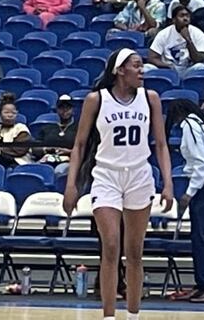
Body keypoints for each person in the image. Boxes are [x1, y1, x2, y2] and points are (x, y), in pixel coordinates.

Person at [62, 48, 173, 320]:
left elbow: (160, 144)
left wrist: (168, 183)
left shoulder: (151, 98)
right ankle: (109, 317)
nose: (142, 71)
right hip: (106, 176)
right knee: (111, 246)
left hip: (139, 176)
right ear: (119, 70)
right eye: (136, 66)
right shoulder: (96, 99)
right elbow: (79, 144)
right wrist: (71, 185)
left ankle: (133, 315)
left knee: (134, 251)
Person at [165, 100, 204, 303]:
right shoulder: (198, 124)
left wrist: (189, 193)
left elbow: (201, 163)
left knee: (200, 235)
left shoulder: (190, 125)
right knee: (198, 235)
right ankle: (203, 284)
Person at [146, 5, 204, 79]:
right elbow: (152, 58)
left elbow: (199, 59)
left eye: (187, 16)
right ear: (174, 20)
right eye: (182, 16)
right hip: (168, 71)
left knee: (201, 67)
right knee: (147, 68)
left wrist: (188, 40)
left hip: (188, 71)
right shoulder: (164, 34)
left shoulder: (198, 33)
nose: (185, 18)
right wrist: (166, 66)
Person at [0, 92, 33, 168]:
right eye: (6, 112)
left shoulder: (21, 128)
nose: (10, 115)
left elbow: (20, 150)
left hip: (18, 163)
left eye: (13, 113)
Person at [33, 94, 78, 177]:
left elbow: (85, 150)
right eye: (61, 108)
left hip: (69, 162)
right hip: (47, 160)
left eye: (68, 108)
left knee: (59, 171)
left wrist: (68, 152)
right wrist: (47, 149)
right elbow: (35, 148)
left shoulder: (79, 129)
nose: (64, 111)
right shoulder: (48, 128)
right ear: (57, 110)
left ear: (73, 110)